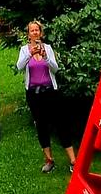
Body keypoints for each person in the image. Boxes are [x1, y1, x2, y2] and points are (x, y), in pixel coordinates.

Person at [16, 20, 76, 174]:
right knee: (41, 126)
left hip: (50, 92)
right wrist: (30, 54)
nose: (35, 32)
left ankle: (73, 161)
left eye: (37, 30)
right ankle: (49, 161)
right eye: (32, 30)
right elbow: (19, 67)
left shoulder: (48, 48)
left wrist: (46, 58)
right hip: (34, 94)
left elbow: (55, 69)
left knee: (61, 124)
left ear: (41, 33)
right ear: (28, 34)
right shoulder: (24, 50)